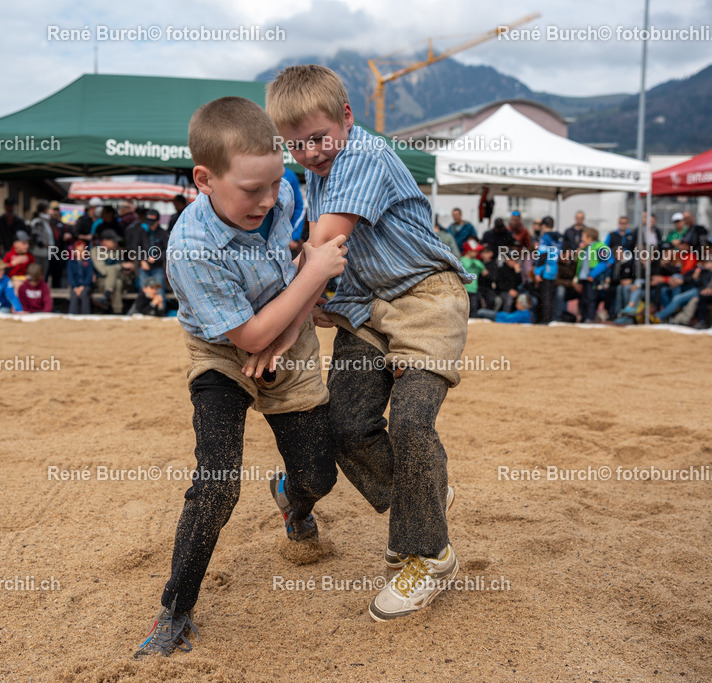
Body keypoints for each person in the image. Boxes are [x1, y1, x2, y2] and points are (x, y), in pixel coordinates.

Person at [135, 97, 344, 658]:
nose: (271, 198)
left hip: (289, 334)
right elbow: (247, 339)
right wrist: (315, 271)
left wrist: (303, 273)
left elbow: (301, 252)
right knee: (219, 480)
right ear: (204, 179)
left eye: (276, 182)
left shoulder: (283, 190)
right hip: (222, 353)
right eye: (252, 189)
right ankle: (174, 614)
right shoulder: (191, 248)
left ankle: (291, 500)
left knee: (319, 477)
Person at [269, 65, 470, 621]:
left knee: (410, 423)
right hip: (367, 307)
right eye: (296, 145)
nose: (309, 153)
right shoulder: (317, 172)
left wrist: (282, 320)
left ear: (347, 118)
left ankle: (428, 555)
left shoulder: (362, 156)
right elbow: (311, 247)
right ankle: (424, 494)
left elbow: (323, 242)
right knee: (341, 424)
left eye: (318, 138)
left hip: (428, 301)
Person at [574, 227, 613, 322]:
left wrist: (593, 274)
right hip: (583, 277)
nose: (582, 239)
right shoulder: (585, 248)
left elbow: (606, 262)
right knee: (583, 299)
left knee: (591, 299)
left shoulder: (600, 247)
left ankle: (590, 318)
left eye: (583, 236)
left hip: (592, 277)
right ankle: (584, 318)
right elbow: (579, 263)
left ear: (590, 237)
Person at [130, 209, 169, 295]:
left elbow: (168, 251)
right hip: (144, 267)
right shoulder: (141, 231)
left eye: (153, 223)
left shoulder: (163, 233)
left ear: (158, 222)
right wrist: (142, 260)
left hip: (157, 267)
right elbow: (135, 247)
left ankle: (160, 308)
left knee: (159, 292)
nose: (150, 226)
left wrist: (156, 257)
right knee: (144, 292)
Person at [533, 216, 561, 324]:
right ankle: (548, 319)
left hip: (545, 270)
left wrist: (537, 272)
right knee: (550, 296)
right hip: (554, 269)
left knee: (545, 297)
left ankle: (545, 320)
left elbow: (543, 255)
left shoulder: (545, 237)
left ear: (543, 226)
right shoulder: (558, 237)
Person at [90, 229, 125, 314]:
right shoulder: (95, 251)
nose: (116, 244)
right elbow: (103, 271)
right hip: (102, 281)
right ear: (104, 241)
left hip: (120, 278)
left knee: (118, 279)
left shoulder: (118, 251)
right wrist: (120, 266)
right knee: (117, 283)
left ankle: (106, 297)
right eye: (113, 241)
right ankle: (118, 312)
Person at [66, 240, 95, 315]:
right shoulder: (71, 263)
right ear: (74, 252)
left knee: (84, 293)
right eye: (78, 251)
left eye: (82, 251)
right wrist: (75, 287)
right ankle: (72, 314)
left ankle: (85, 314)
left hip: (86, 286)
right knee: (73, 293)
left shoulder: (89, 262)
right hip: (75, 286)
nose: (80, 253)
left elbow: (89, 276)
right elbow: (70, 276)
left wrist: (83, 286)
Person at [28, 201, 55, 278]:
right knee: (39, 274)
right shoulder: (39, 222)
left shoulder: (44, 221)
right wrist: (45, 244)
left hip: (44, 253)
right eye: (49, 209)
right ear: (45, 210)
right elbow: (36, 236)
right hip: (39, 254)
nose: (51, 211)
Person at [459, 242, 485, 316]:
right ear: (469, 251)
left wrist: (475, 262)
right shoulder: (462, 260)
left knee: (473, 309)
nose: (477, 253)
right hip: (464, 289)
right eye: (475, 251)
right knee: (464, 309)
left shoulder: (477, 261)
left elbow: (484, 271)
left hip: (474, 289)